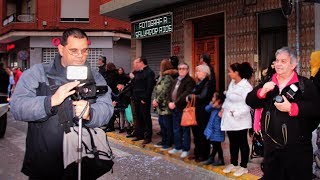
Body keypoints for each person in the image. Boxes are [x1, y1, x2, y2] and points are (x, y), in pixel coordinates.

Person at [10, 28, 114, 179]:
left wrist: (90, 113)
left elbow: (107, 109)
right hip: (45, 165)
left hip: (83, 163)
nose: (80, 56)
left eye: (84, 51)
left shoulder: (96, 77)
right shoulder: (38, 73)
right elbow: (17, 107)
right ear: (61, 49)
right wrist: (50, 102)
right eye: (74, 50)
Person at [246, 47, 320, 179]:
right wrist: (261, 92)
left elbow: (316, 109)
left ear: (293, 64)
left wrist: (292, 108)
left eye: (283, 61)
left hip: (298, 150)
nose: (278, 64)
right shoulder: (268, 82)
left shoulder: (305, 85)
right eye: (277, 60)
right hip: (271, 149)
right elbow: (250, 101)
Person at [221, 62, 253, 177]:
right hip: (230, 119)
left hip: (241, 120)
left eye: (230, 71)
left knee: (242, 143)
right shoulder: (232, 83)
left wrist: (236, 113)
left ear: (236, 72)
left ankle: (243, 166)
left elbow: (249, 104)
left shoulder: (246, 86)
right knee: (232, 142)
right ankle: (233, 163)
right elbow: (228, 98)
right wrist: (223, 109)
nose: (228, 74)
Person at [168, 62, 196, 158]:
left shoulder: (190, 81)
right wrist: (169, 102)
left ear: (187, 70)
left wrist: (175, 103)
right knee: (176, 129)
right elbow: (170, 92)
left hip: (183, 109)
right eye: (179, 68)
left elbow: (186, 93)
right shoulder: (176, 80)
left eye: (183, 68)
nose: (181, 70)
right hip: (174, 108)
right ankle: (177, 147)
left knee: (185, 130)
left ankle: (186, 149)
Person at [187, 64, 212, 162]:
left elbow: (203, 96)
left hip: (203, 112)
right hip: (196, 111)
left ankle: (203, 154)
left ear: (205, 73)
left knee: (202, 134)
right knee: (196, 133)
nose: (197, 73)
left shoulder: (208, 83)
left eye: (199, 71)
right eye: (196, 71)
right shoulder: (199, 83)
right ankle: (197, 152)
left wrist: (190, 97)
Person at [153, 59, 177, 149]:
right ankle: (164, 140)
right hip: (161, 105)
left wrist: (157, 100)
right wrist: (155, 99)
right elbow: (157, 89)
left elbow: (164, 91)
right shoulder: (162, 76)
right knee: (162, 124)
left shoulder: (168, 77)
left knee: (167, 125)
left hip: (165, 105)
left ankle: (168, 142)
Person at [131, 57, 155, 144]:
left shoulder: (149, 72)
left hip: (144, 99)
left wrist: (145, 98)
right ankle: (139, 134)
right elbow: (135, 85)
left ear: (141, 62)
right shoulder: (137, 73)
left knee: (146, 117)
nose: (135, 64)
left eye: (136, 62)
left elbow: (149, 87)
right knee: (138, 117)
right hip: (136, 98)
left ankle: (148, 136)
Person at [203, 92, 226, 166]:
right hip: (211, 128)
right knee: (215, 144)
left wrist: (220, 108)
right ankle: (216, 158)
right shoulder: (213, 107)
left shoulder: (222, 108)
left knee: (217, 144)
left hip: (218, 129)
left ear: (218, 99)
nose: (212, 98)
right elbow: (206, 109)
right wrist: (212, 105)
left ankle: (216, 158)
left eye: (214, 97)